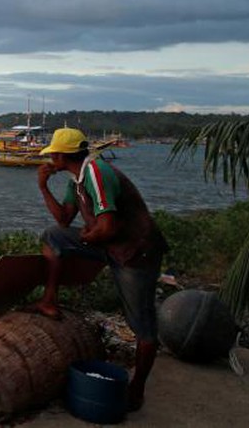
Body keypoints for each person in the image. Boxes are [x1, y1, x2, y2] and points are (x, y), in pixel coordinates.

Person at [31, 128, 168, 412]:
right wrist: (44, 188)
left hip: (135, 253)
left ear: (60, 154)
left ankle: (137, 388)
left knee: (142, 326)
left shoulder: (95, 172)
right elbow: (65, 220)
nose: (49, 158)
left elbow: (108, 227)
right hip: (110, 246)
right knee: (53, 235)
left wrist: (87, 238)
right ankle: (49, 300)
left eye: (52, 154)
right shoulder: (76, 179)